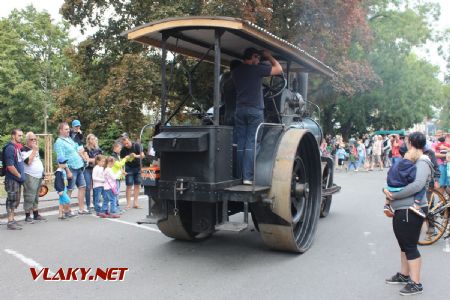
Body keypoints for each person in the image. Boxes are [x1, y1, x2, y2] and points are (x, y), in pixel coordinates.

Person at [383, 132, 433, 296]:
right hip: (403, 209)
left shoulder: (423, 161)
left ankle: (416, 283)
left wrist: (393, 196)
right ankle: (405, 276)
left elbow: (417, 186)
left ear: (411, 142)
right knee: (404, 244)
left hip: (410, 210)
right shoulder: (414, 160)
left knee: (410, 246)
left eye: (406, 140)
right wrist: (388, 192)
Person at [231, 47, 282, 184]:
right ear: (253, 56)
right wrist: (269, 56)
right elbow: (279, 69)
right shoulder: (257, 69)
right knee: (252, 142)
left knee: (241, 142)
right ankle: (248, 177)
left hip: (240, 110)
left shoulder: (235, 72)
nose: (259, 60)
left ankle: (238, 176)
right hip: (254, 110)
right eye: (258, 57)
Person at [54, 122, 89, 214]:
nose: (68, 130)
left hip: (79, 166)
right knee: (69, 189)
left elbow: (77, 149)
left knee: (82, 187)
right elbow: (61, 159)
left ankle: (81, 209)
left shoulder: (69, 139)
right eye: (66, 129)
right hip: (70, 168)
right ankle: (66, 211)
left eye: (68, 129)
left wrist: (83, 156)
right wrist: (67, 171)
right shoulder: (59, 142)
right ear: (60, 130)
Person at [383, 148, 426, 218]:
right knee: (422, 187)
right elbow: (411, 178)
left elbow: (389, 173)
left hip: (390, 187)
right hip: (400, 187)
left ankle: (386, 205)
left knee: (391, 187)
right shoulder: (412, 166)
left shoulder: (397, 162)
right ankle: (416, 205)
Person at [21, 132, 46, 223]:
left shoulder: (35, 149)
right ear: (27, 140)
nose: (34, 141)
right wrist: (34, 150)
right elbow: (28, 162)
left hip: (38, 176)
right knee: (29, 196)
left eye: (35, 139)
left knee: (36, 196)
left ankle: (35, 213)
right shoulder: (23, 149)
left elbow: (37, 161)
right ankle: (27, 215)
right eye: (32, 139)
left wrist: (42, 173)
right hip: (30, 176)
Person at [3, 129, 25, 230]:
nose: (21, 137)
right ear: (13, 136)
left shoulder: (17, 148)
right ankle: (10, 221)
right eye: (19, 135)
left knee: (15, 200)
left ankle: (13, 219)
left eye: (21, 135)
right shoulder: (10, 148)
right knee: (11, 200)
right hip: (12, 179)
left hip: (17, 180)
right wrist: (19, 176)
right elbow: (10, 166)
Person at [120, 136, 144, 209]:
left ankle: (136, 203)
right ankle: (128, 204)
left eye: (127, 143)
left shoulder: (136, 145)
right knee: (129, 185)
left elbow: (143, 155)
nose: (126, 145)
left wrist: (135, 155)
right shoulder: (123, 150)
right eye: (125, 144)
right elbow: (121, 161)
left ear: (129, 140)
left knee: (137, 185)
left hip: (137, 167)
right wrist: (122, 170)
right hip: (128, 168)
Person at [84, 133, 103, 212]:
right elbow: (87, 159)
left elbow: (101, 159)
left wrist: (93, 160)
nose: (93, 140)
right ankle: (88, 204)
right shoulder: (86, 148)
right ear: (88, 140)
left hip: (96, 169)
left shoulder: (98, 149)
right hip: (87, 169)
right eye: (91, 139)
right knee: (88, 187)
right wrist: (95, 159)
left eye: (94, 138)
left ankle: (96, 204)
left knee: (96, 186)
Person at [54, 155, 73, 220]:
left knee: (61, 202)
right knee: (67, 200)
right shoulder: (59, 172)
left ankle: (60, 215)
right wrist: (59, 190)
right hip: (61, 189)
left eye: (65, 162)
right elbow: (58, 181)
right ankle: (64, 212)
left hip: (64, 187)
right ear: (59, 163)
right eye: (63, 163)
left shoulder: (63, 170)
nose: (64, 164)